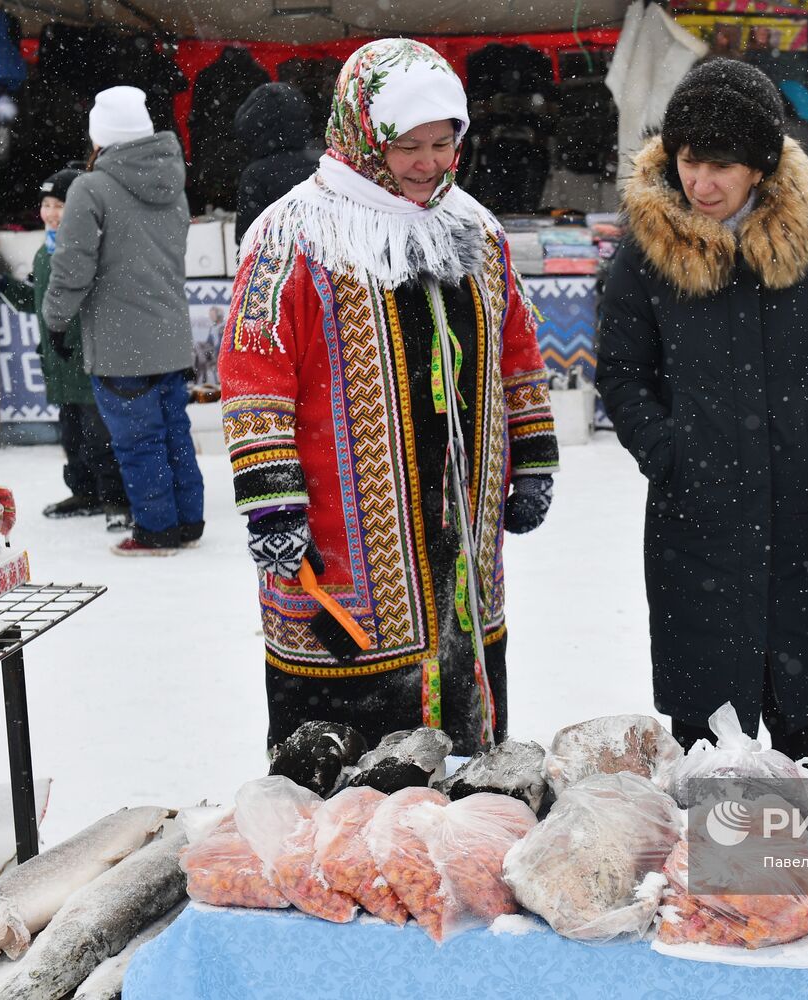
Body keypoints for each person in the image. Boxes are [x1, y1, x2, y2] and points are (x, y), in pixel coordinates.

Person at [220, 38, 559, 753]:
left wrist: (531, 455)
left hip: (461, 538)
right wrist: (272, 499)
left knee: (463, 766)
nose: (429, 163)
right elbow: (255, 374)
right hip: (342, 547)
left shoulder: (472, 227)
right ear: (362, 132)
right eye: (408, 144)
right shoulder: (294, 234)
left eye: (444, 143)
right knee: (346, 774)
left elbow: (516, 347)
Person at [597, 59, 808, 761]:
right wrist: (666, 450)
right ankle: (706, 852)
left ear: (758, 166)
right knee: (702, 715)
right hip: (694, 506)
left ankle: (785, 854)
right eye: (690, 162)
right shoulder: (647, 252)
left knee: (795, 707)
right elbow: (623, 371)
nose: (701, 183)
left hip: (799, 501)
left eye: (721, 165)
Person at [42, 85, 205, 556]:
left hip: (119, 340)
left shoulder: (91, 187)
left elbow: (71, 266)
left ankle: (156, 530)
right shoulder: (172, 181)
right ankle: (187, 521)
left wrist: (56, 319)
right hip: (171, 335)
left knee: (138, 441)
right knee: (174, 430)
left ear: (101, 135)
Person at [0, 168, 130, 531]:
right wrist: (4, 286)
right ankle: (84, 492)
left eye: (60, 205)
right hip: (58, 363)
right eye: (46, 204)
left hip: (88, 360)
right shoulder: (46, 251)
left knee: (100, 436)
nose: (51, 213)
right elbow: (41, 302)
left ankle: (115, 500)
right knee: (71, 436)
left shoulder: (87, 248)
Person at [233, 81, 322, 245]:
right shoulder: (325, 162)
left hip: (281, 265)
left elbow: (247, 239)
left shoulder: (256, 175)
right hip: (329, 264)